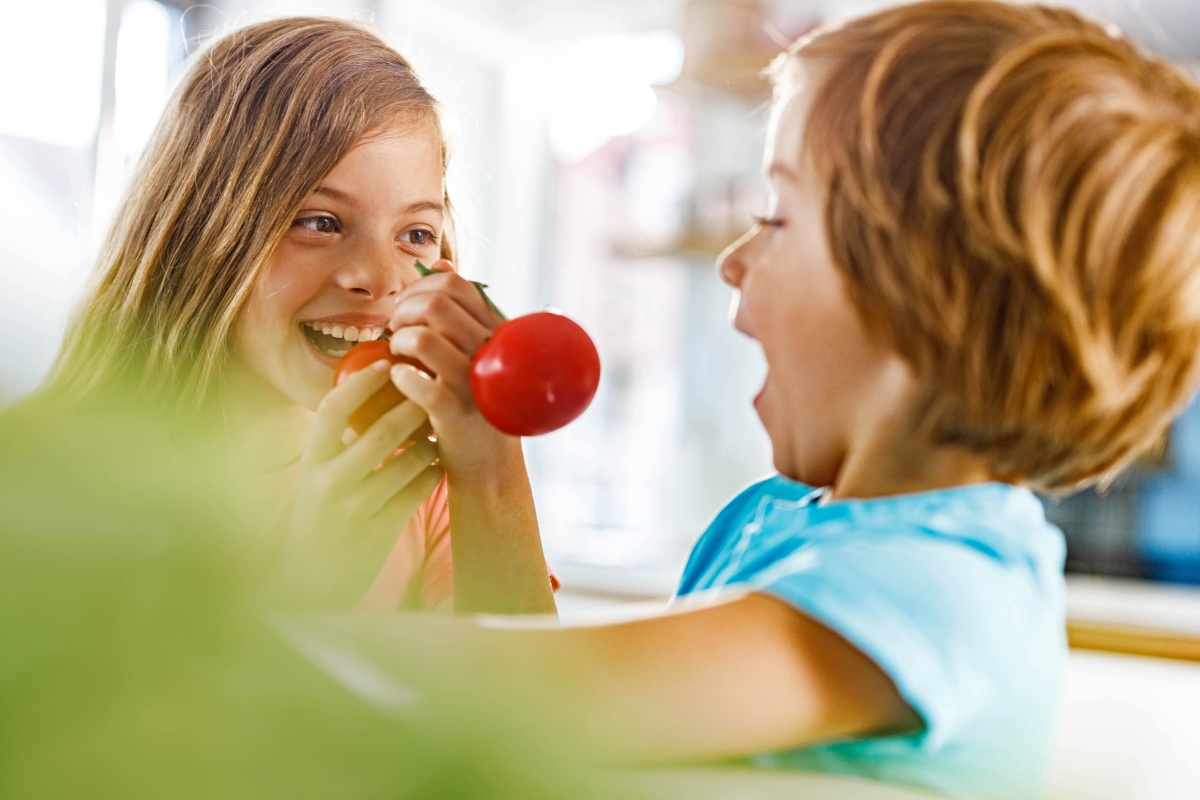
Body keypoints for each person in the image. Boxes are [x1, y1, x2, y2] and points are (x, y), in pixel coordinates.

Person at [310, 2, 1200, 798]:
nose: (733, 260)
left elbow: (527, 703)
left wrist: (234, 611)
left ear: (920, 292)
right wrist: (484, 453)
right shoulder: (795, 522)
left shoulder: (934, 584)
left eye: (776, 217)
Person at [15, 16, 556, 615]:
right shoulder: (41, 479)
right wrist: (302, 598)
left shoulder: (426, 484)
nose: (379, 280)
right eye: (319, 222)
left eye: (415, 234)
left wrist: (494, 468)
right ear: (198, 232)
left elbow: (536, 703)